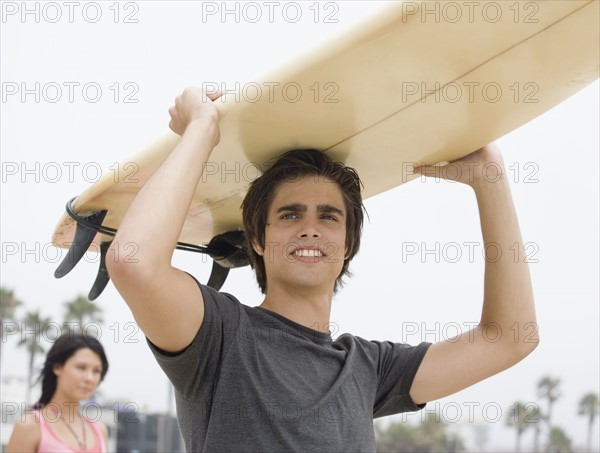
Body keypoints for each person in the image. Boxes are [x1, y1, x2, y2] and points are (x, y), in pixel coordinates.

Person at [106, 88, 538, 452]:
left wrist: (490, 179)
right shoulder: (219, 336)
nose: (310, 229)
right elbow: (133, 261)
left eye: (329, 217)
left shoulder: (370, 369)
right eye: (290, 215)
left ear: (347, 244)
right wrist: (202, 129)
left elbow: (509, 339)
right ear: (257, 239)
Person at [7, 332, 109, 453]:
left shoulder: (100, 430)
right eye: (81, 367)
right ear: (57, 367)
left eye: (96, 371)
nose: (89, 378)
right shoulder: (30, 427)